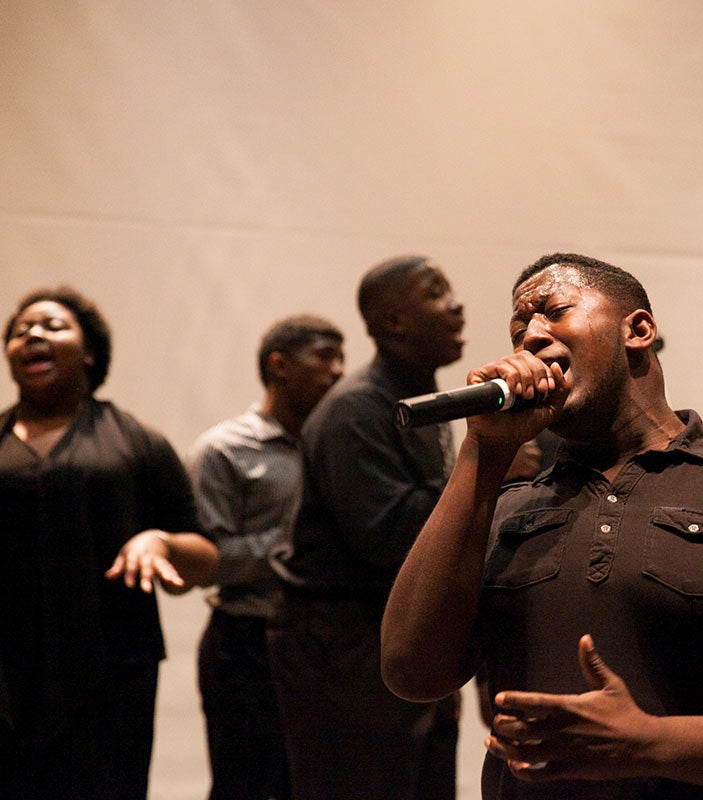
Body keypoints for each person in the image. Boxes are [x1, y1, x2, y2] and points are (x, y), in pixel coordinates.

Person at [381, 253, 703, 800]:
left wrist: (648, 743)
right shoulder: (504, 511)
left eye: (553, 311)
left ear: (638, 330)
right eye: (519, 329)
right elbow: (412, 671)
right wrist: (483, 450)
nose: (531, 337)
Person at [0, 286, 218, 800]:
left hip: (109, 671)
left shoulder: (137, 442)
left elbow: (206, 558)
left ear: (90, 352)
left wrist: (159, 541)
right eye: (19, 330)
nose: (32, 334)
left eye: (53, 326)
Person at [266, 256, 468, 799]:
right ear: (392, 322)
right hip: (345, 652)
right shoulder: (357, 409)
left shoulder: (415, 401)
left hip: (395, 640)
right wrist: (483, 471)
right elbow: (387, 537)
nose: (457, 303)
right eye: (435, 292)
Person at [187, 314, 344, 800]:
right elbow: (207, 559)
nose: (339, 371)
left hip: (322, 644)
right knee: (247, 785)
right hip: (245, 645)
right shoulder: (224, 450)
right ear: (279, 365)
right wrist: (296, 543)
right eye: (324, 356)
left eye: (341, 357)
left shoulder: (337, 445)